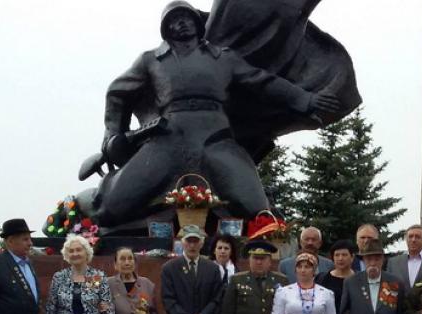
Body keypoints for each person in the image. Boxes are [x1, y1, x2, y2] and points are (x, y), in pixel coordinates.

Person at [95, 1, 341, 227]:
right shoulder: (151, 60)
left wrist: (307, 100)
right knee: (112, 207)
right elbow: (117, 92)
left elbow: (263, 82)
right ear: (166, 29)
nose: (180, 23)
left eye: (186, 18)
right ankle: (96, 198)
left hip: (215, 140)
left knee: (256, 209)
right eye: (173, 20)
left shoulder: (223, 58)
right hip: (166, 141)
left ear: (196, 22)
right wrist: (112, 135)